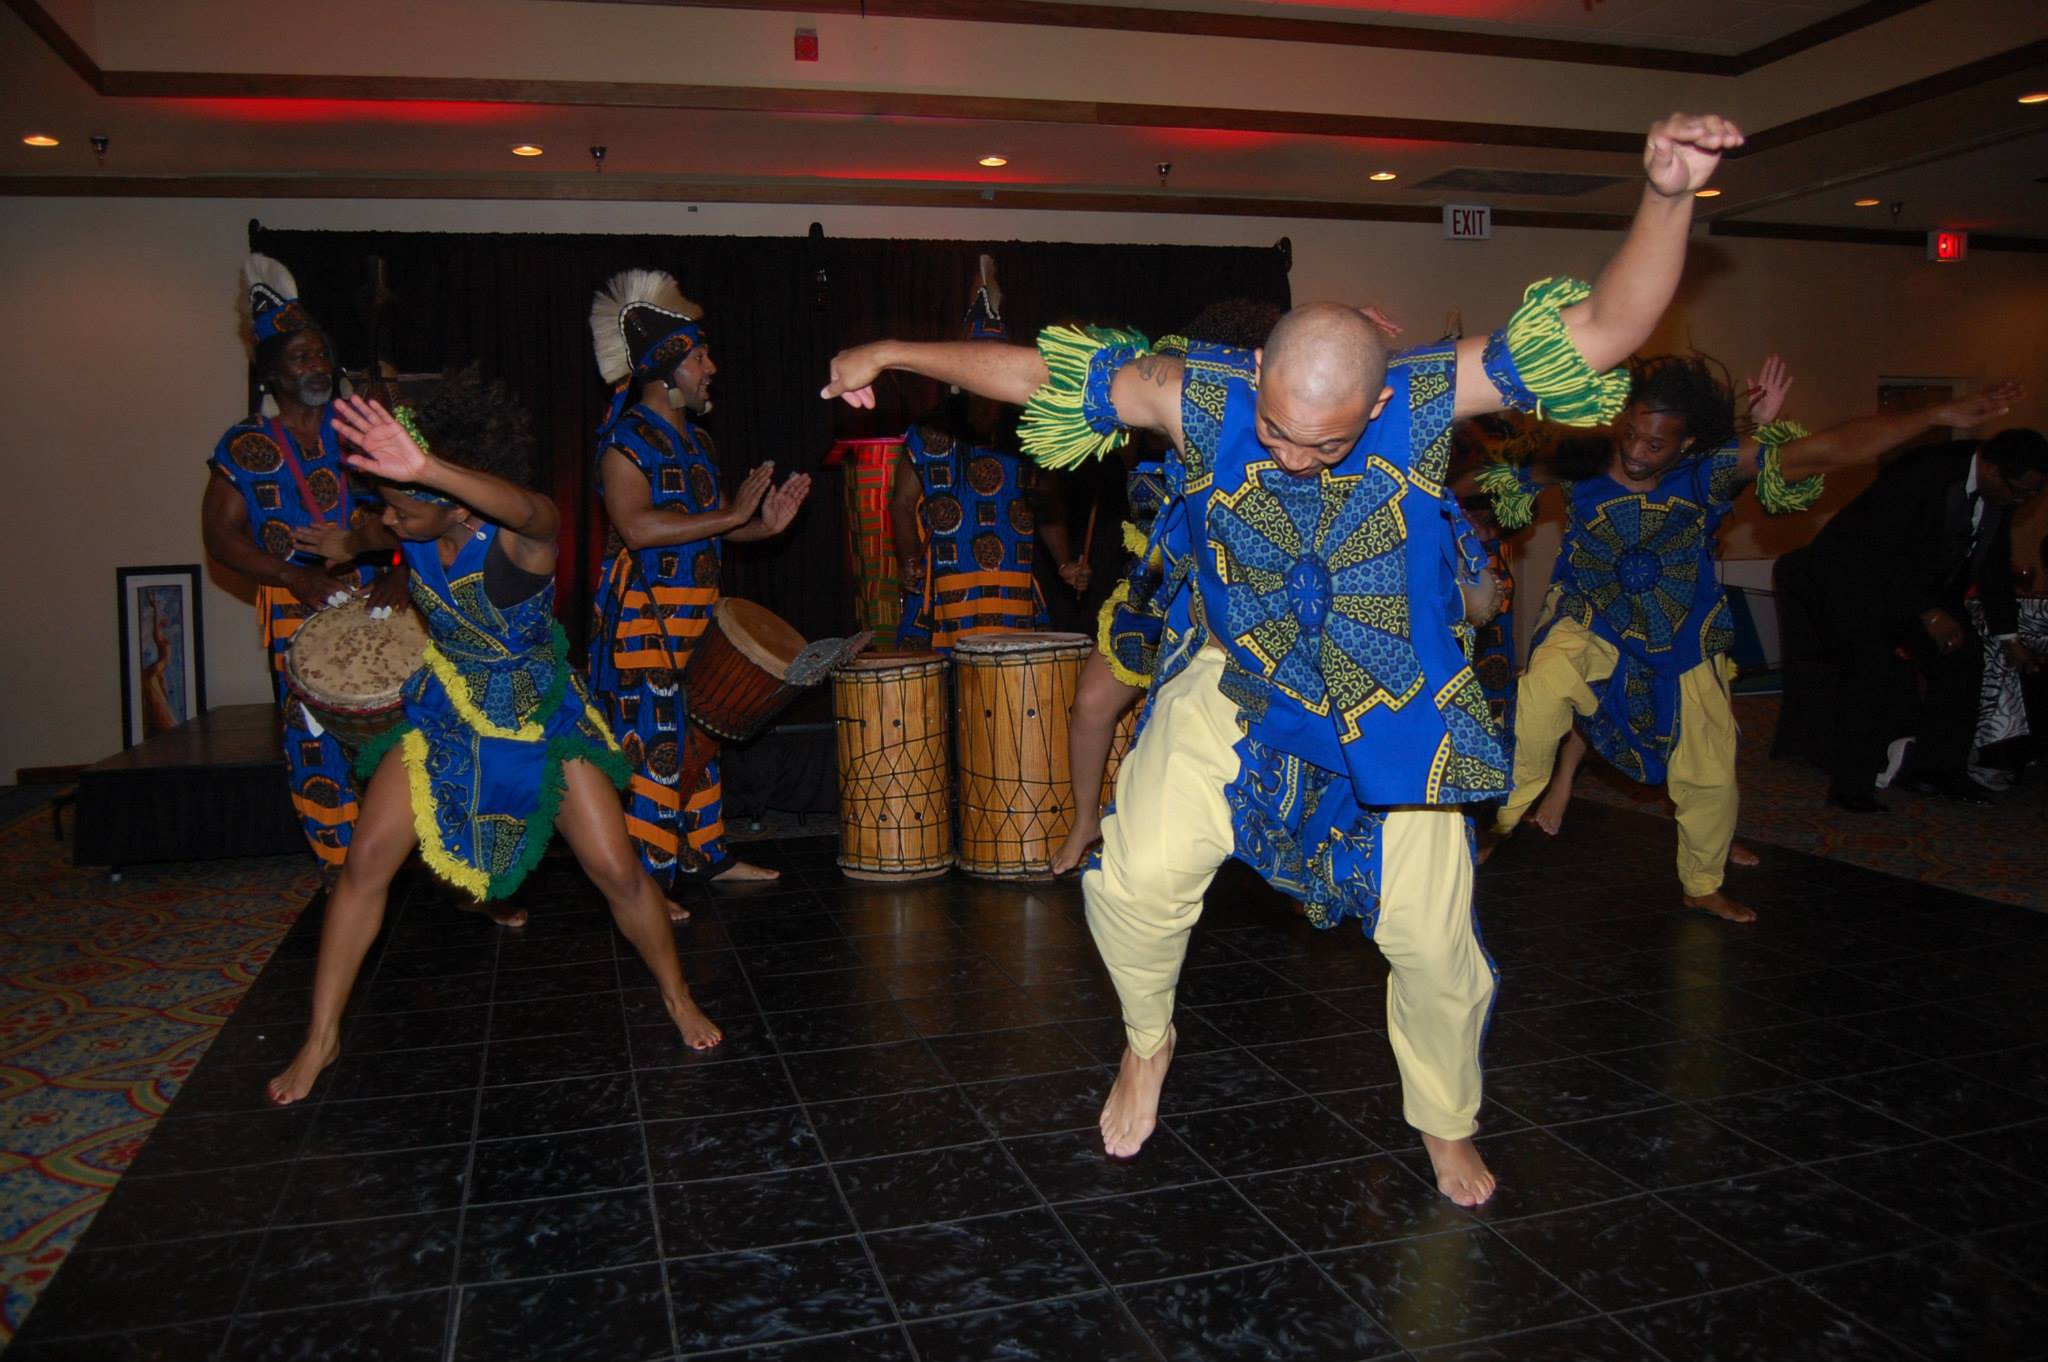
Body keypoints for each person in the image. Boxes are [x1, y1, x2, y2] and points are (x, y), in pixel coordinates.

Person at [826, 113, 1748, 1206]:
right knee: (1130, 880)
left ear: (1378, 401)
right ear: (1254, 371)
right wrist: (890, 351)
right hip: (1239, 679)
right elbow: (1034, 374)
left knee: (1432, 943)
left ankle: (1442, 1120)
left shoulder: (1421, 398)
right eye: (1276, 426)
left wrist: (1666, 192)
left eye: (1325, 440)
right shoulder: (1196, 395)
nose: (1292, 452)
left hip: (1395, 698)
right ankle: (1146, 1040)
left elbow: (1603, 329)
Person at [264, 376, 723, 1106]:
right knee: (365, 863)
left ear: (449, 494)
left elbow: (537, 508)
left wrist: (427, 470)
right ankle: (321, 1035)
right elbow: (372, 532)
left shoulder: (521, 539)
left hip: (538, 716)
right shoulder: (403, 521)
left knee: (616, 869)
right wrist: (342, 541)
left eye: (404, 499)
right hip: (446, 710)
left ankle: (675, 996)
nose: (390, 513)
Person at [1483, 359, 2022, 920]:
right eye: (1632, 435)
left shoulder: (1707, 471)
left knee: (1709, 767)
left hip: (1681, 634)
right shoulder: (1584, 463)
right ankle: (1493, 823)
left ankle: (1701, 882)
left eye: (1657, 444)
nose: (1639, 452)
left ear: (1687, 441)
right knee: (1541, 692)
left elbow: (1830, 450)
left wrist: (1936, 411)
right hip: (1588, 618)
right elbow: (1477, 483)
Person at [587, 270, 809, 905]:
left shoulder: (698, 441)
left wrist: (760, 526)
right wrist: (733, 516)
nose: (711, 367)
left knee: (697, 740)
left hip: (694, 619)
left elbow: (700, 531)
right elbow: (636, 526)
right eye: (700, 356)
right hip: (643, 623)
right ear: (666, 368)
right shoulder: (626, 442)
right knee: (654, 749)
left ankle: (704, 856)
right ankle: (644, 883)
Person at [1051, 299, 1287, 874]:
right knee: (1091, 704)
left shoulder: (1272, 422)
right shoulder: (1171, 395)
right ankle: (1086, 820)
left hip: (1241, 598)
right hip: (1158, 586)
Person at [200, 255, 409, 875]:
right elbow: (219, 536)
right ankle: (345, 875)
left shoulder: (363, 434)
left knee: (412, 738)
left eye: (321, 354)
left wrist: (398, 572)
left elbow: (414, 513)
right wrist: (293, 575)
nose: (317, 365)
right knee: (316, 744)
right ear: (271, 372)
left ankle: (439, 870)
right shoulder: (244, 446)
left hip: (380, 602)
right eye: (300, 357)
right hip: (295, 608)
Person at [1777, 425, 2044, 811]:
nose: (2021, 500)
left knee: (1962, 659)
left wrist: (2008, 636)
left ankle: (1938, 770)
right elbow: (1882, 548)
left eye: (2031, 493)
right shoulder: (1924, 472)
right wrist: (1928, 612)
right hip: (1854, 578)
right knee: (1872, 668)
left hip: (1918, 586)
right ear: (1990, 469)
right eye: (2018, 490)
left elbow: (1993, 564)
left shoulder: (2001, 493)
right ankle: (1852, 788)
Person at [889, 256, 1073, 652]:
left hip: (1013, 588)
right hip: (946, 591)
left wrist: (1064, 564)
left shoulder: (1033, 431)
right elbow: (902, 506)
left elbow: (1047, 506)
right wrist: (908, 559)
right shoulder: (927, 432)